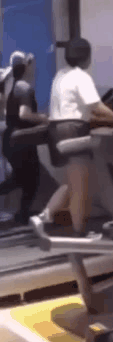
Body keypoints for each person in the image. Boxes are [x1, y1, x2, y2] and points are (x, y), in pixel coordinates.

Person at [33, 38, 113, 237]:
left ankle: (44, 216)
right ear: (86, 57)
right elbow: (96, 106)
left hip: (56, 129)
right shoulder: (81, 76)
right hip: (73, 130)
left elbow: (78, 108)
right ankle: (79, 232)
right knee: (80, 185)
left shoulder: (60, 75)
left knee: (71, 180)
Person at [0, 52, 48, 224]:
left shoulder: (13, 87)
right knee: (30, 179)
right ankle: (23, 215)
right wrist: (45, 118)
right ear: (27, 67)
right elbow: (25, 114)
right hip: (22, 141)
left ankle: (22, 215)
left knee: (21, 179)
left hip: (12, 140)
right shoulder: (24, 88)